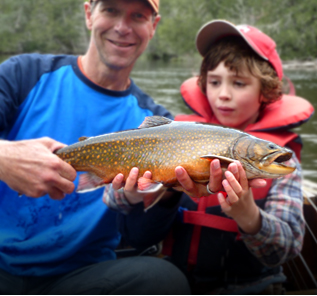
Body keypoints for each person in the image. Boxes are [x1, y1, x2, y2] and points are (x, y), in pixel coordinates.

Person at [0, 0, 193, 294]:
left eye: (137, 16)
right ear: (89, 14)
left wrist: (167, 193)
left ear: (153, 26)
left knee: (165, 280)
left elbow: (140, 237)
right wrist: (5, 156)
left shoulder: (160, 126)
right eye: (111, 10)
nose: (122, 27)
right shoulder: (24, 75)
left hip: (81, 278)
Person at [115, 20, 314, 294]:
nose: (223, 94)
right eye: (214, 82)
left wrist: (249, 215)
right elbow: (121, 212)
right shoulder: (174, 135)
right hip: (174, 278)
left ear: (265, 92)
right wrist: (142, 193)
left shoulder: (281, 159)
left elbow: (286, 249)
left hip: (252, 286)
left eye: (239, 83)